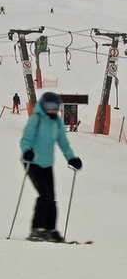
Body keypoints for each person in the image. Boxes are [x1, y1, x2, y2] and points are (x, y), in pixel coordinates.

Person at [20, 92, 82, 243]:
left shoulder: (57, 123)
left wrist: (71, 158)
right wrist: (27, 151)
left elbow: (63, 142)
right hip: (32, 162)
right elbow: (25, 139)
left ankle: (50, 229)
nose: (53, 109)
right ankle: (37, 229)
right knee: (44, 195)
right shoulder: (37, 119)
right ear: (43, 105)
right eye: (50, 106)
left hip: (47, 164)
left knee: (51, 197)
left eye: (56, 106)